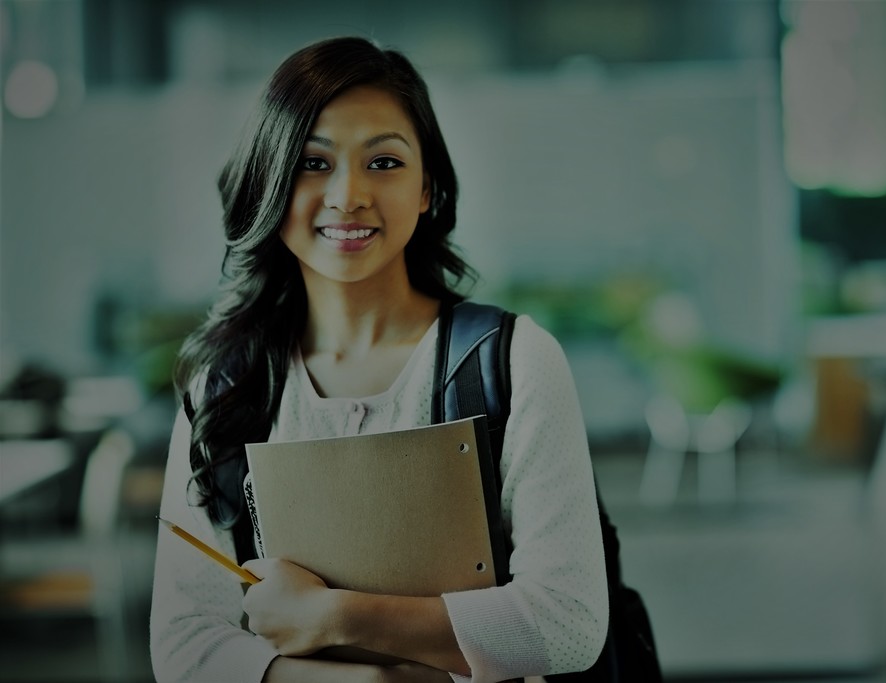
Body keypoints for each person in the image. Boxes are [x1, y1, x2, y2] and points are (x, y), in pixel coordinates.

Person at [149, 36, 608, 683]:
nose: (349, 195)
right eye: (313, 162)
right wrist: (371, 682)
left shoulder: (514, 359)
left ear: (428, 188)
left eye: (385, 162)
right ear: (270, 181)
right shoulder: (226, 384)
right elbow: (183, 642)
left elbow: (567, 623)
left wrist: (337, 616)